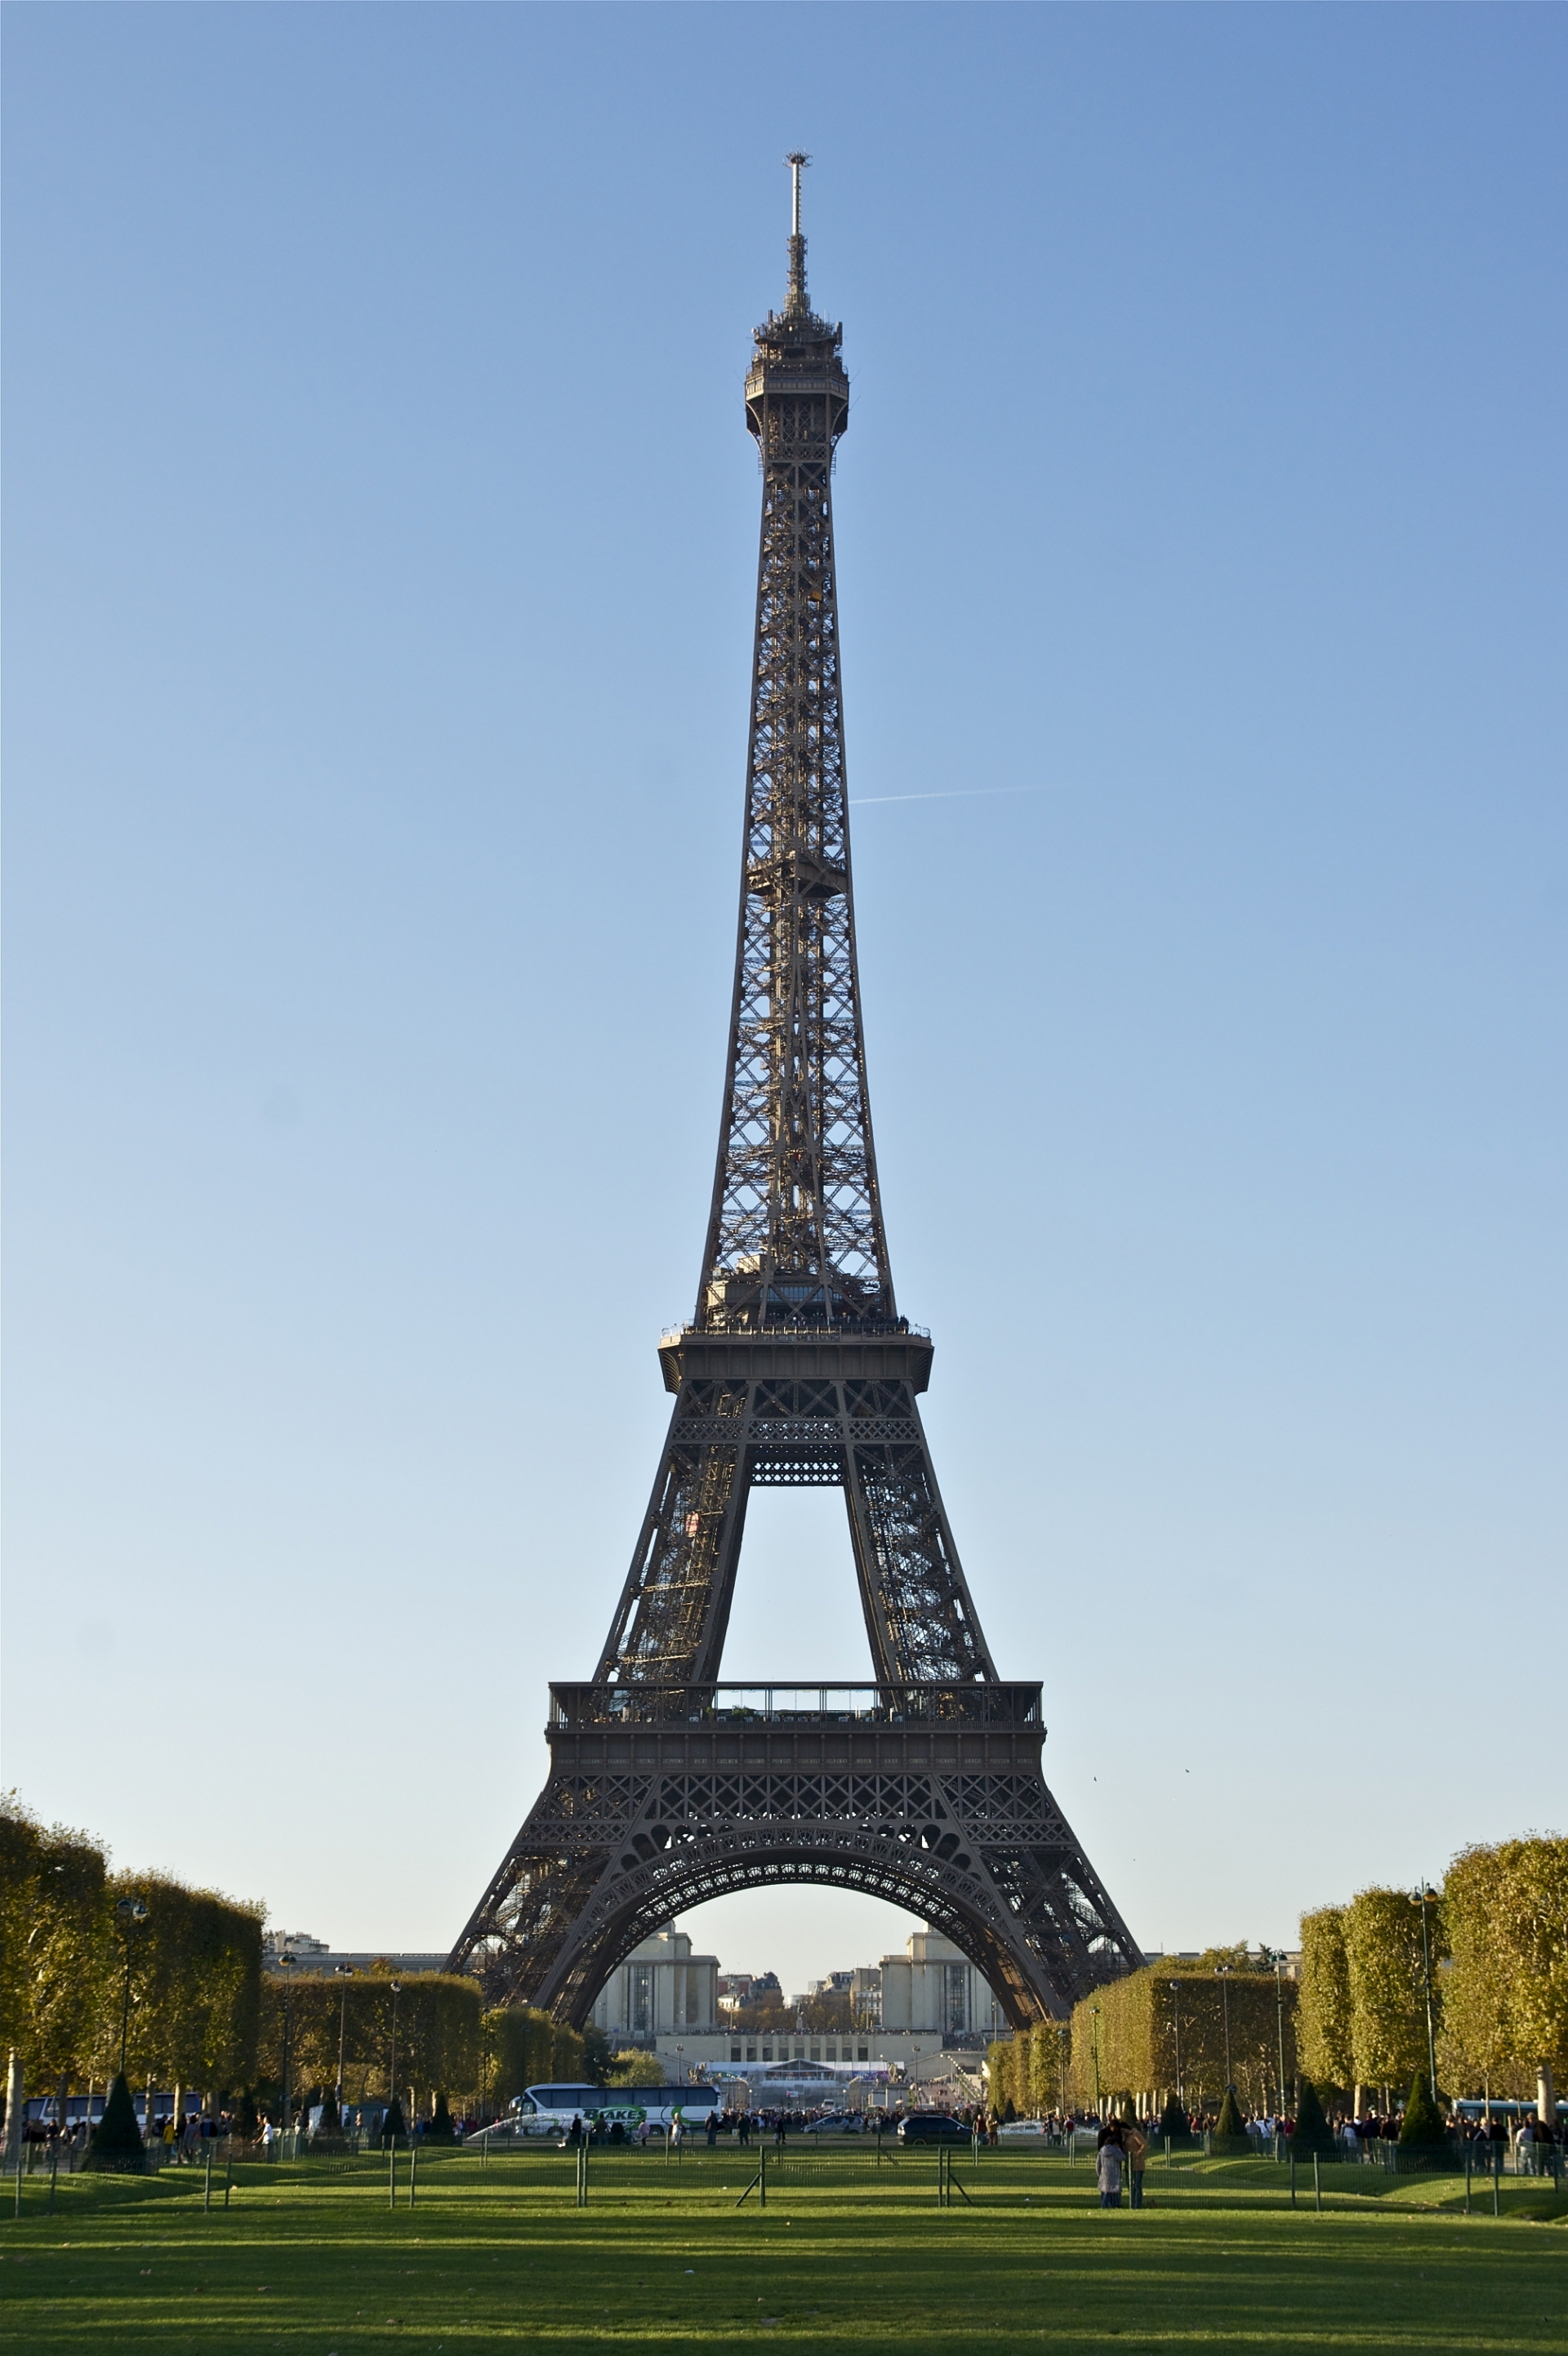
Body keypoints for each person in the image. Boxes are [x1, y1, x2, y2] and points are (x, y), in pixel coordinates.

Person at [1095, 2124, 1124, 2209]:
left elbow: (1098, 2163)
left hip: (1104, 2172)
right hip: (1114, 2172)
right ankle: (1109, 2205)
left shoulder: (1102, 2150)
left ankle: (1105, 2205)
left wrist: (1098, 2172)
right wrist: (1119, 2150)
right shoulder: (1115, 2151)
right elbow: (1122, 2158)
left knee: (1105, 2190)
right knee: (1112, 2191)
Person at [1125, 2121, 1148, 2209]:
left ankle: (1137, 2204)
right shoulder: (1126, 2137)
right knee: (1130, 2184)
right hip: (1129, 2164)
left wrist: (1138, 2154)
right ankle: (1133, 2202)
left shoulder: (1135, 2134)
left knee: (1137, 2184)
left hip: (1137, 2164)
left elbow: (1144, 2144)